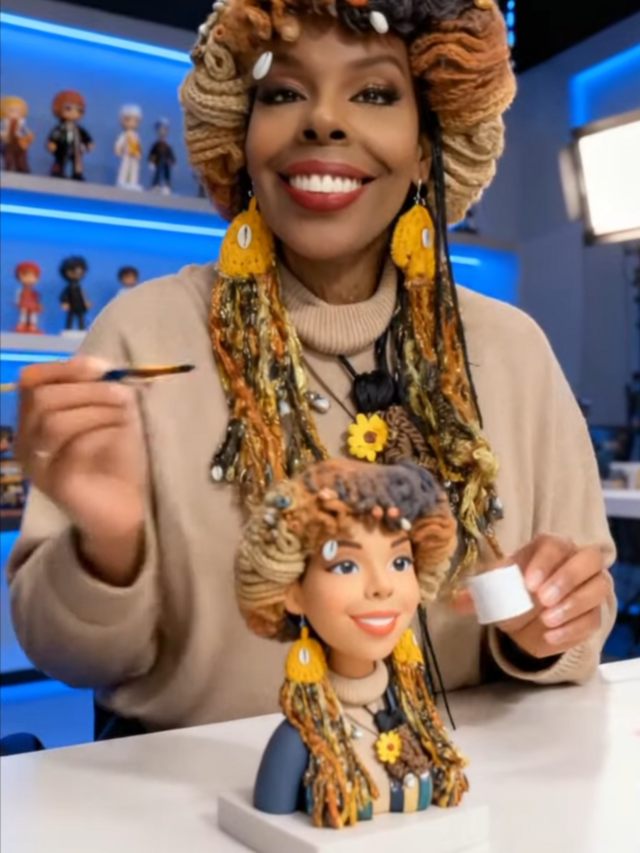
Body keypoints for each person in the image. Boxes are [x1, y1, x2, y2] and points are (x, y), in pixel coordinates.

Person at [8, 0, 616, 736]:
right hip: (193, 797)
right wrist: (108, 545)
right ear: (240, 137)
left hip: (454, 788)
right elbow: (67, 653)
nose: (323, 120)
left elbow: (582, 619)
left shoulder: (513, 350)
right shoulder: (140, 335)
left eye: (375, 93)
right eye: (283, 92)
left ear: (428, 147)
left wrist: (548, 623)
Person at [240, 459, 467, 827]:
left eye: (400, 562)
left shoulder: (419, 723)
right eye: (346, 566)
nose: (382, 586)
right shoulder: (299, 740)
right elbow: (270, 825)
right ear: (293, 593)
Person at [47, 91, 94, 181]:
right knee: (61, 160)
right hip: (63, 147)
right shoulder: (61, 128)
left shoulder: (78, 129)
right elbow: (55, 135)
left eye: (79, 110)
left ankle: (77, 174)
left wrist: (89, 143)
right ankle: (58, 172)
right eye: (68, 108)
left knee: (77, 161)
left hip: (76, 148)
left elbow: (85, 136)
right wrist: (52, 142)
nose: (73, 112)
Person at [0, 96, 34, 174]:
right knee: (9, 157)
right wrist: (3, 136)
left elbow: (26, 132)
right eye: (11, 110)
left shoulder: (21, 123)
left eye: (18, 111)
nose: (15, 113)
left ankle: (22, 169)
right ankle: (9, 169)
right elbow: (2, 131)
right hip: (8, 144)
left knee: (21, 158)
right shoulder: (4, 123)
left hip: (19, 143)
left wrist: (29, 136)